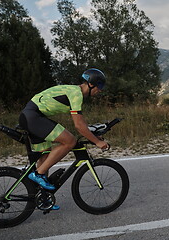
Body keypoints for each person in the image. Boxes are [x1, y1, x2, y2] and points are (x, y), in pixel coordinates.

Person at [19, 68, 109, 209]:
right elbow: (79, 126)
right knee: (70, 141)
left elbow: (81, 121)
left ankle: (43, 197)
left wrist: (94, 135)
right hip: (33, 117)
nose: (101, 90)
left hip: (31, 116)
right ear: (91, 84)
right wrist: (97, 142)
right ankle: (38, 174)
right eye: (100, 86)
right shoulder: (77, 94)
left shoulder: (75, 92)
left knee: (45, 155)